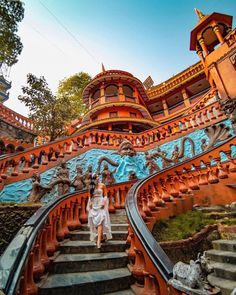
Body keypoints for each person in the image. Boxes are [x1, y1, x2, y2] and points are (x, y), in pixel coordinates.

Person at [87, 174, 112, 248]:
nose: (98, 178)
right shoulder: (91, 187)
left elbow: (105, 195)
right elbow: (89, 195)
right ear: (93, 179)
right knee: (95, 222)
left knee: (100, 221)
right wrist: (90, 202)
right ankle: (101, 237)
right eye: (96, 177)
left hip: (101, 203)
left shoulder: (102, 185)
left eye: (98, 177)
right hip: (94, 203)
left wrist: (104, 202)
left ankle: (98, 242)